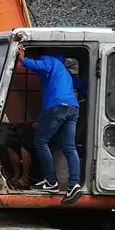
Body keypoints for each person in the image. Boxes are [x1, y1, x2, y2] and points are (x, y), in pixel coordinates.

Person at [16, 45, 82, 204]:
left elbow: (40, 66)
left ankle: (51, 182)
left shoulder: (48, 60)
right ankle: (74, 184)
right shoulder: (64, 71)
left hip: (57, 107)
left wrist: (22, 59)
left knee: (40, 141)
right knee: (70, 147)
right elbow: (81, 85)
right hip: (73, 108)